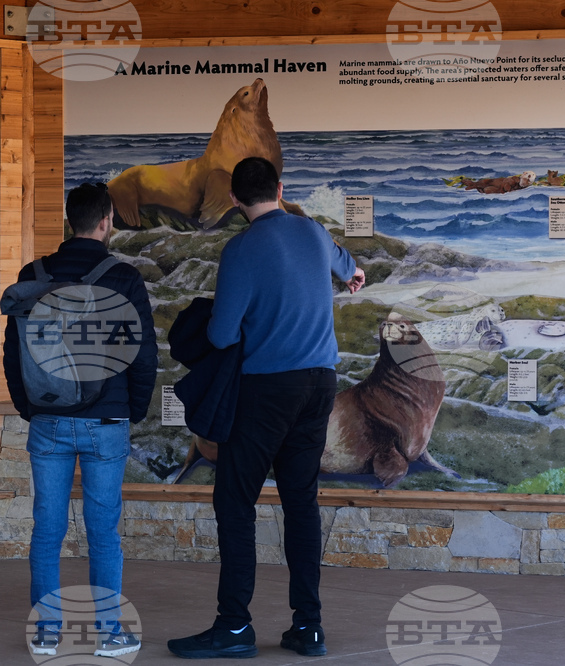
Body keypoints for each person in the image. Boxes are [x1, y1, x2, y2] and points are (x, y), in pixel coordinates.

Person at [168, 157, 365, 659]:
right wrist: (353, 273)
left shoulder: (241, 249)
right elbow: (345, 263)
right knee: (300, 502)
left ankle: (235, 626)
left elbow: (221, 335)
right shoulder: (313, 232)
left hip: (267, 390)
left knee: (235, 502)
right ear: (280, 189)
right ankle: (309, 627)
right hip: (320, 384)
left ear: (235, 200)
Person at [2, 182, 158, 659]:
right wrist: (132, 410)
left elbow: (13, 354)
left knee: (47, 530)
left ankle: (47, 634)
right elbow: (143, 357)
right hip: (107, 422)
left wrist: (30, 408)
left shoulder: (34, 275)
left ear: (70, 221)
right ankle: (109, 634)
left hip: (47, 420)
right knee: (103, 533)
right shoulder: (123, 278)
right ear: (107, 221)